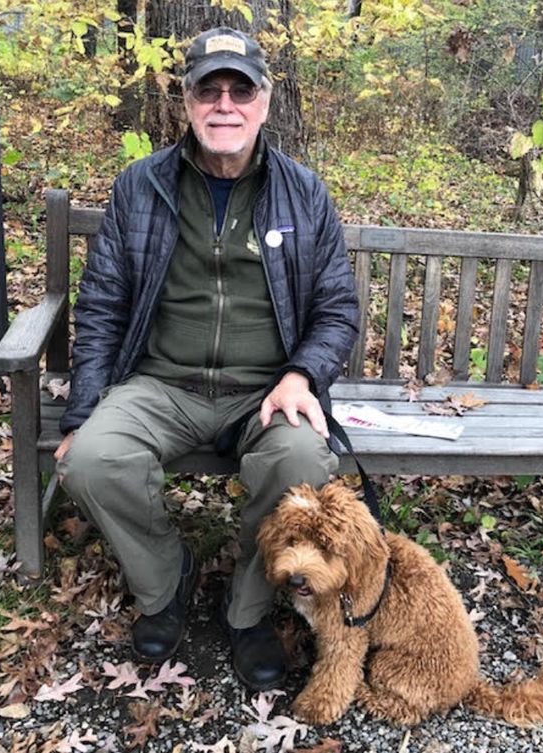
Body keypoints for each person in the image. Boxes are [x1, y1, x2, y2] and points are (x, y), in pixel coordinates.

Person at [54, 26, 359, 692]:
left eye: (239, 89)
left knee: (302, 460)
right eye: (208, 89)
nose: (225, 104)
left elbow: (338, 309)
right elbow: (103, 304)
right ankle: (165, 580)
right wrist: (84, 410)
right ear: (185, 101)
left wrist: (303, 373)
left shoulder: (304, 193)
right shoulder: (141, 187)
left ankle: (247, 610)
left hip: (265, 391)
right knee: (90, 459)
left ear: (265, 102)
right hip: (162, 382)